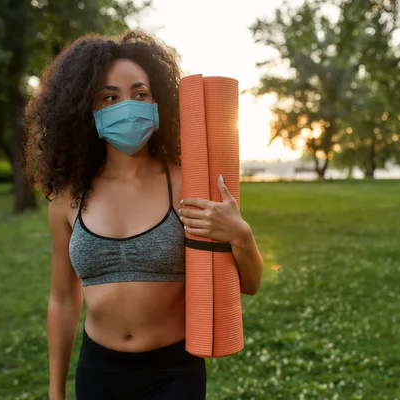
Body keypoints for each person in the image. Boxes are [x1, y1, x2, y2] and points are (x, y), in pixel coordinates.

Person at [24, 29, 264, 400]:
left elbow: (249, 284)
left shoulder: (190, 185)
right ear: (84, 107)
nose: (128, 105)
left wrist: (240, 235)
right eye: (110, 96)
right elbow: (64, 299)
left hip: (173, 373)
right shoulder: (68, 197)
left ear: (158, 103)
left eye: (140, 93)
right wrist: (56, 393)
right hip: (98, 371)